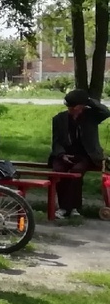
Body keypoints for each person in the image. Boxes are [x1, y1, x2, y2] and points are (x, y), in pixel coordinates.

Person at [48, 89, 110, 218]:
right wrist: (62, 155)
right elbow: (56, 141)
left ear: (81, 106)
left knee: (76, 173)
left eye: (74, 106)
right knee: (59, 171)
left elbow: (106, 111)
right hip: (65, 154)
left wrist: (88, 100)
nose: (71, 109)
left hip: (85, 155)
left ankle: (73, 208)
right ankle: (65, 208)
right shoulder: (59, 119)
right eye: (69, 107)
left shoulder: (91, 116)